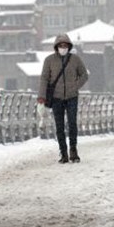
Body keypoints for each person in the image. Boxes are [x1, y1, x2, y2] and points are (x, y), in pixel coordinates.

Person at [38, 34, 89, 163]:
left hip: (72, 96)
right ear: (56, 47)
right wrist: (42, 95)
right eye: (60, 45)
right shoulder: (49, 60)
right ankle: (63, 152)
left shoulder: (75, 59)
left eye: (65, 45)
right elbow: (44, 78)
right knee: (59, 125)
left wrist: (75, 86)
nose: (63, 48)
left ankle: (73, 150)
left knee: (72, 123)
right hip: (56, 97)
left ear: (69, 46)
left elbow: (84, 74)